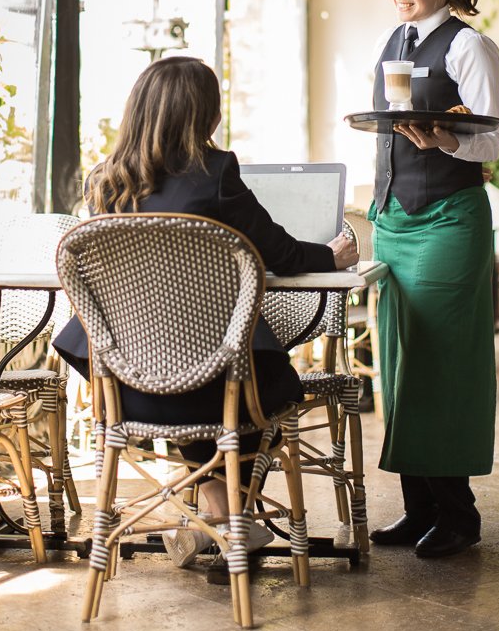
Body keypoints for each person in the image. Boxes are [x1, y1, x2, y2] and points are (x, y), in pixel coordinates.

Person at [53, 56, 357, 567]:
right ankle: (233, 521)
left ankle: (217, 517)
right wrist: (332, 255)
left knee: (197, 381)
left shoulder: (103, 183)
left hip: (131, 388)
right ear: (206, 118)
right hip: (219, 383)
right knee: (253, 387)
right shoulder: (217, 173)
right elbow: (278, 253)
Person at [367, 0, 499, 559]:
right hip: (394, 219)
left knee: (443, 363)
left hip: (448, 219)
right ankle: (418, 507)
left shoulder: (470, 46)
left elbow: (490, 143)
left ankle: (458, 515)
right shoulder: (396, 40)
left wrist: (445, 140)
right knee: (399, 362)